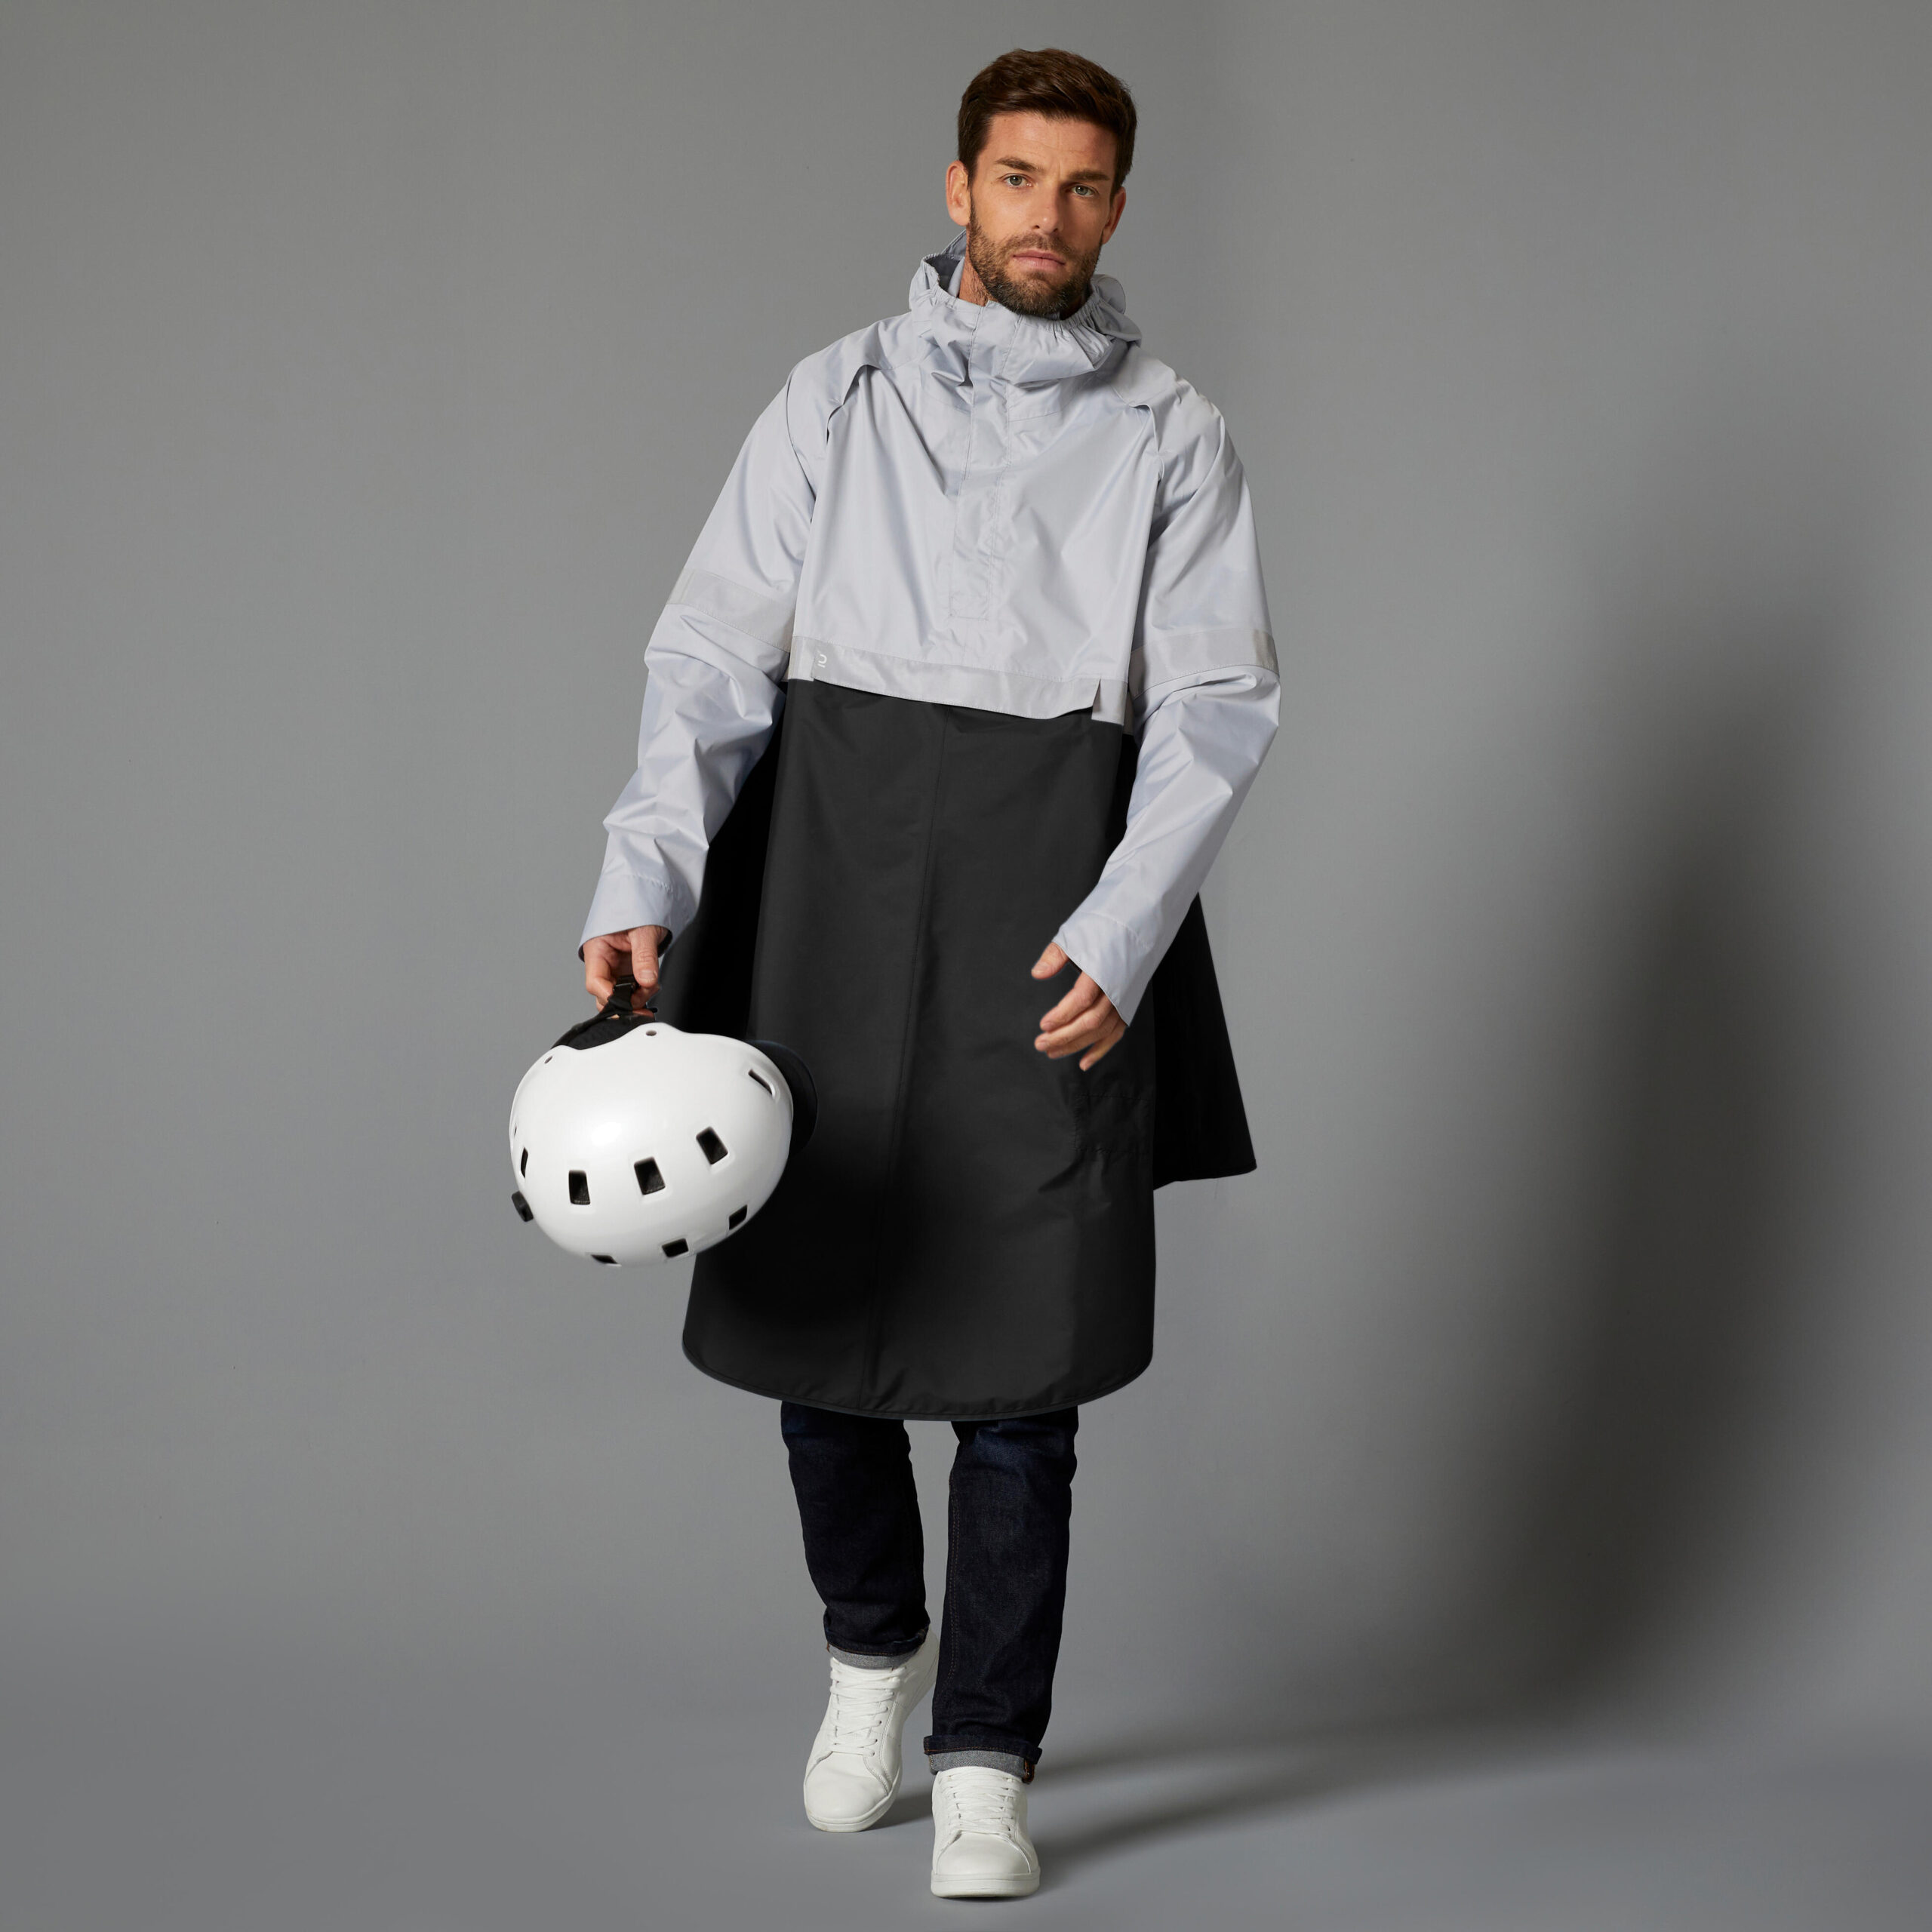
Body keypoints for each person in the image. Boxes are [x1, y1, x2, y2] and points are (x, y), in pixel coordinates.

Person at [578, 47, 1276, 1903]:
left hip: (1049, 909)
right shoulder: (834, 397)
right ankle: (868, 1657)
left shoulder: (1171, 436)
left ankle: (984, 1757)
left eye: (1084, 185)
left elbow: (1213, 707)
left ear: (1116, 206)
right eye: (1017, 178)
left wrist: (1124, 928)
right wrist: (645, 868)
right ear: (958, 186)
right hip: (824, 881)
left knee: (1021, 1372)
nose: (1049, 216)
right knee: (816, 1315)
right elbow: (710, 656)